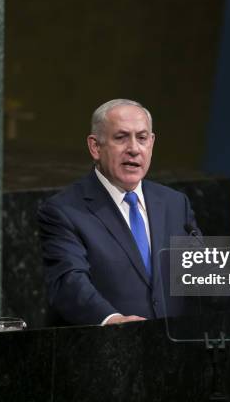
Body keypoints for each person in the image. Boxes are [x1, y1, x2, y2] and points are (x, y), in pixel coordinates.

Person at [38, 99, 200, 325]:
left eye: (142, 138)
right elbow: (69, 281)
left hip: (170, 350)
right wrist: (112, 320)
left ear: (151, 144)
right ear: (95, 147)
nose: (134, 149)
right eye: (121, 138)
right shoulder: (64, 211)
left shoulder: (174, 203)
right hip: (104, 351)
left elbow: (205, 270)